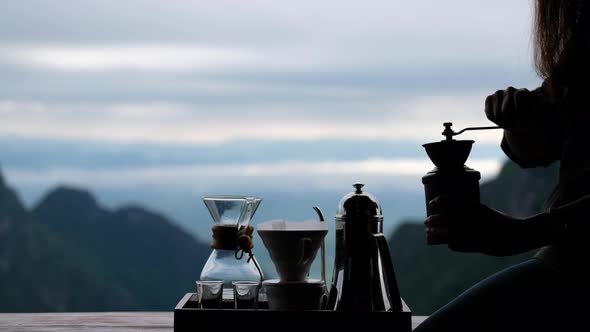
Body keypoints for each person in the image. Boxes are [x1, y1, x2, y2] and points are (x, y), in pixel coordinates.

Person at [416, 1, 590, 331]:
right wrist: (517, 122)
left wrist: (527, 232)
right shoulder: (583, 43)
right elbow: (548, 140)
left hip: (575, 271)